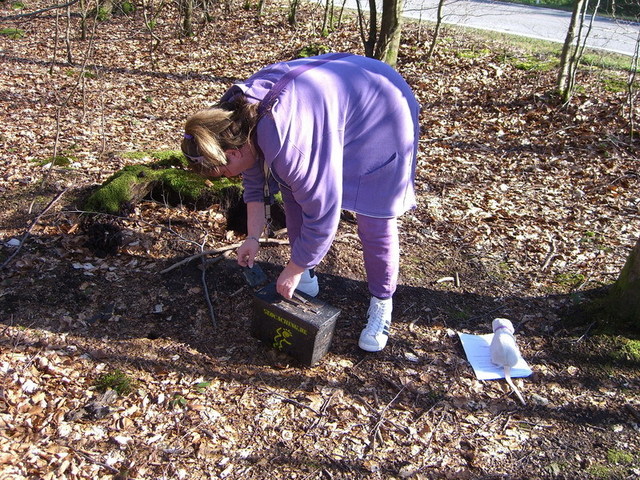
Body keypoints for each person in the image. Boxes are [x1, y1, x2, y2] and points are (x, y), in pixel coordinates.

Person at [181, 53, 420, 352]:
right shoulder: (229, 123)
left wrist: (293, 267)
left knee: (375, 219)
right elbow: (255, 183)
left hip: (381, 109)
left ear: (232, 153)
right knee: (292, 192)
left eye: (225, 172)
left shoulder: (285, 141)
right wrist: (253, 238)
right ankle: (307, 275)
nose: (227, 177)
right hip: (332, 103)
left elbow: (323, 212)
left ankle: (382, 303)